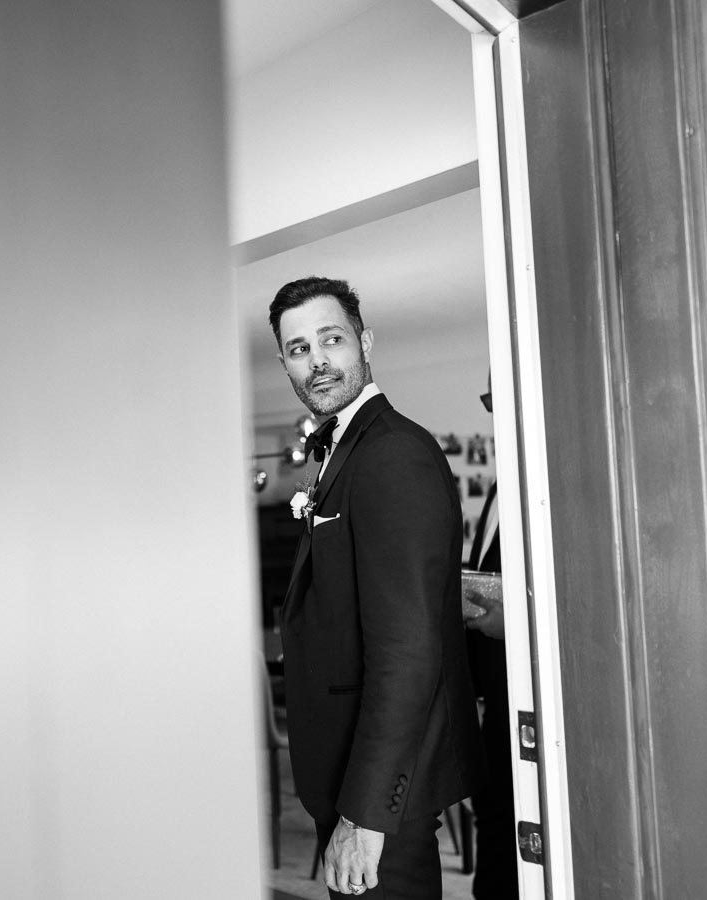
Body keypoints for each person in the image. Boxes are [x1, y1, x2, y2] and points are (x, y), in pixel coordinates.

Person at [271, 276, 480, 899]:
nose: (318, 361)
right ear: (285, 363)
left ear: (364, 341)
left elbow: (408, 650)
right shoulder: (344, 452)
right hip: (347, 775)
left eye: (330, 339)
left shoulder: (392, 454)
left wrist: (364, 815)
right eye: (298, 348)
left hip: (380, 795)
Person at [461, 380, 520, 900]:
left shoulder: (542, 479)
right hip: (491, 689)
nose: (495, 413)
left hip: (525, 688)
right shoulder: (502, 486)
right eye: (489, 404)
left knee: (509, 815)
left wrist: (513, 625)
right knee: (492, 811)